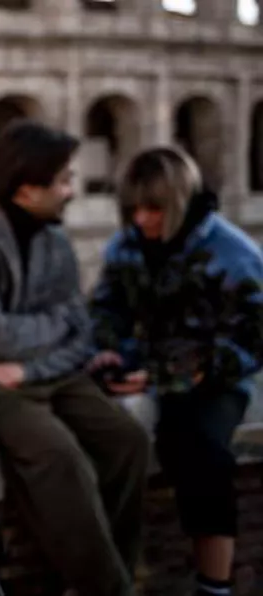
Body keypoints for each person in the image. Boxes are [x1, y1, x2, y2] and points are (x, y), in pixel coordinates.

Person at [0, 120, 150, 596]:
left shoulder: (54, 239)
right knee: (60, 457)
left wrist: (32, 362)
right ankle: (108, 588)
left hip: (40, 374)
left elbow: (80, 331)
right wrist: (57, 325)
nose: (72, 190)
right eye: (63, 180)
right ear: (26, 189)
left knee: (129, 440)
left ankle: (108, 577)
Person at [90, 147, 263, 596]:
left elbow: (253, 338)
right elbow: (106, 308)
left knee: (200, 448)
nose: (143, 219)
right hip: (143, 366)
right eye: (134, 209)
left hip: (215, 378)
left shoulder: (231, 251)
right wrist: (108, 352)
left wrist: (167, 376)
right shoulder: (126, 244)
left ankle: (215, 584)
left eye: (154, 209)